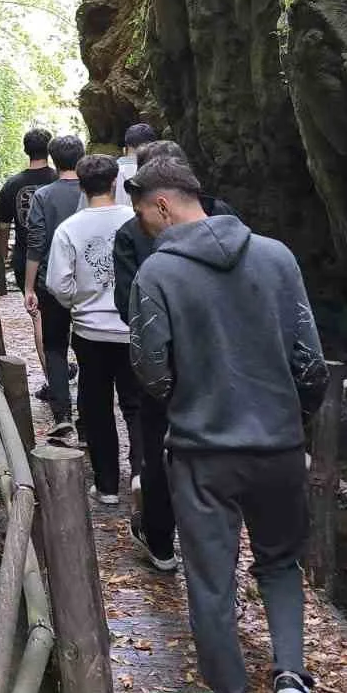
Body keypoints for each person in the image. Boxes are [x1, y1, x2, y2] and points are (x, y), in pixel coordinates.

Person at [126, 157, 332, 693]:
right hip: (278, 445)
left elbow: (151, 371)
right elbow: (310, 362)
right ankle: (291, 679)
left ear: (163, 204)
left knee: (211, 582)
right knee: (280, 565)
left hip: (202, 452)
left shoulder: (157, 273)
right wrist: (293, 421)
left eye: (143, 215)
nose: (143, 227)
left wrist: (188, 399)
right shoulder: (277, 257)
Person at [111, 139, 238, 573]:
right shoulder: (226, 218)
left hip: (166, 366)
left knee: (159, 452)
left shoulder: (132, 234)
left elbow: (126, 303)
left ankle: (162, 542)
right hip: (226, 360)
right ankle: (215, 544)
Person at [46, 154, 141, 504]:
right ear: (115, 182)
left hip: (90, 330)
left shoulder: (69, 228)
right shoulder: (136, 219)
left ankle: (107, 485)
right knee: (136, 404)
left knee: (97, 406)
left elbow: (58, 283)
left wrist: (80, 300)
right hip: (133, 328)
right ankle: (141, 474)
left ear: (81, 187)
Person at [23, 134, 84, 434]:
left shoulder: (43, 196)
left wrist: (29, 287)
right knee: (88, 349)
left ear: (54, 160)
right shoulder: (93, 191)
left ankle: (63, 416)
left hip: (52, 280)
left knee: (55, 348)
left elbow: (36, 242)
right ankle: (88, 418)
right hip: (88, 282)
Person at [0, 129, 56, 296]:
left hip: (24, 257)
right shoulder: (59, 180)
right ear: (49, 150)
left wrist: (3, 252)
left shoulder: (12, 184)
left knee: (32, 302)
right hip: (56, 257)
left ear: (26, 150)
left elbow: (3, 225)